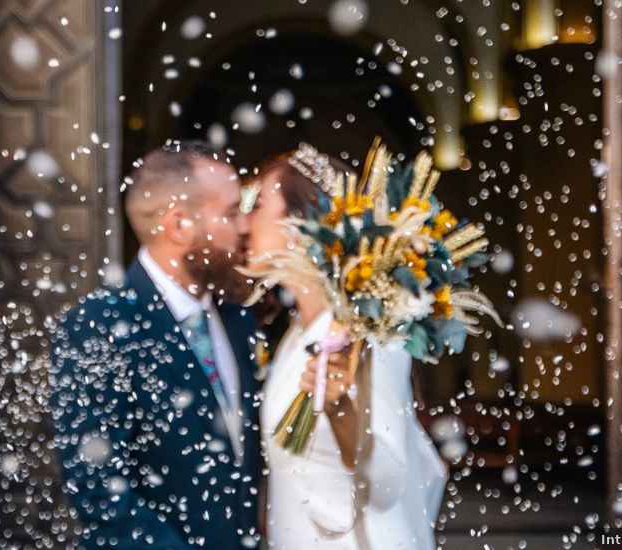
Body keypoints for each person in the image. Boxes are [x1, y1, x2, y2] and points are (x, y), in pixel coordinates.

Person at [50, 140, 262, 549]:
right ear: (179, 224)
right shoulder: (99, 326)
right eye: (231, 213)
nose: (245, 227)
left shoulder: (237, 316)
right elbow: (100, 492)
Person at [245, 143, 447, 549]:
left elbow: (388, 485)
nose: (245, 223)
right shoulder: (298, 334)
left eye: (258, 205)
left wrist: (344, 414)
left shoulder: (368, 335)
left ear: (301, 224)